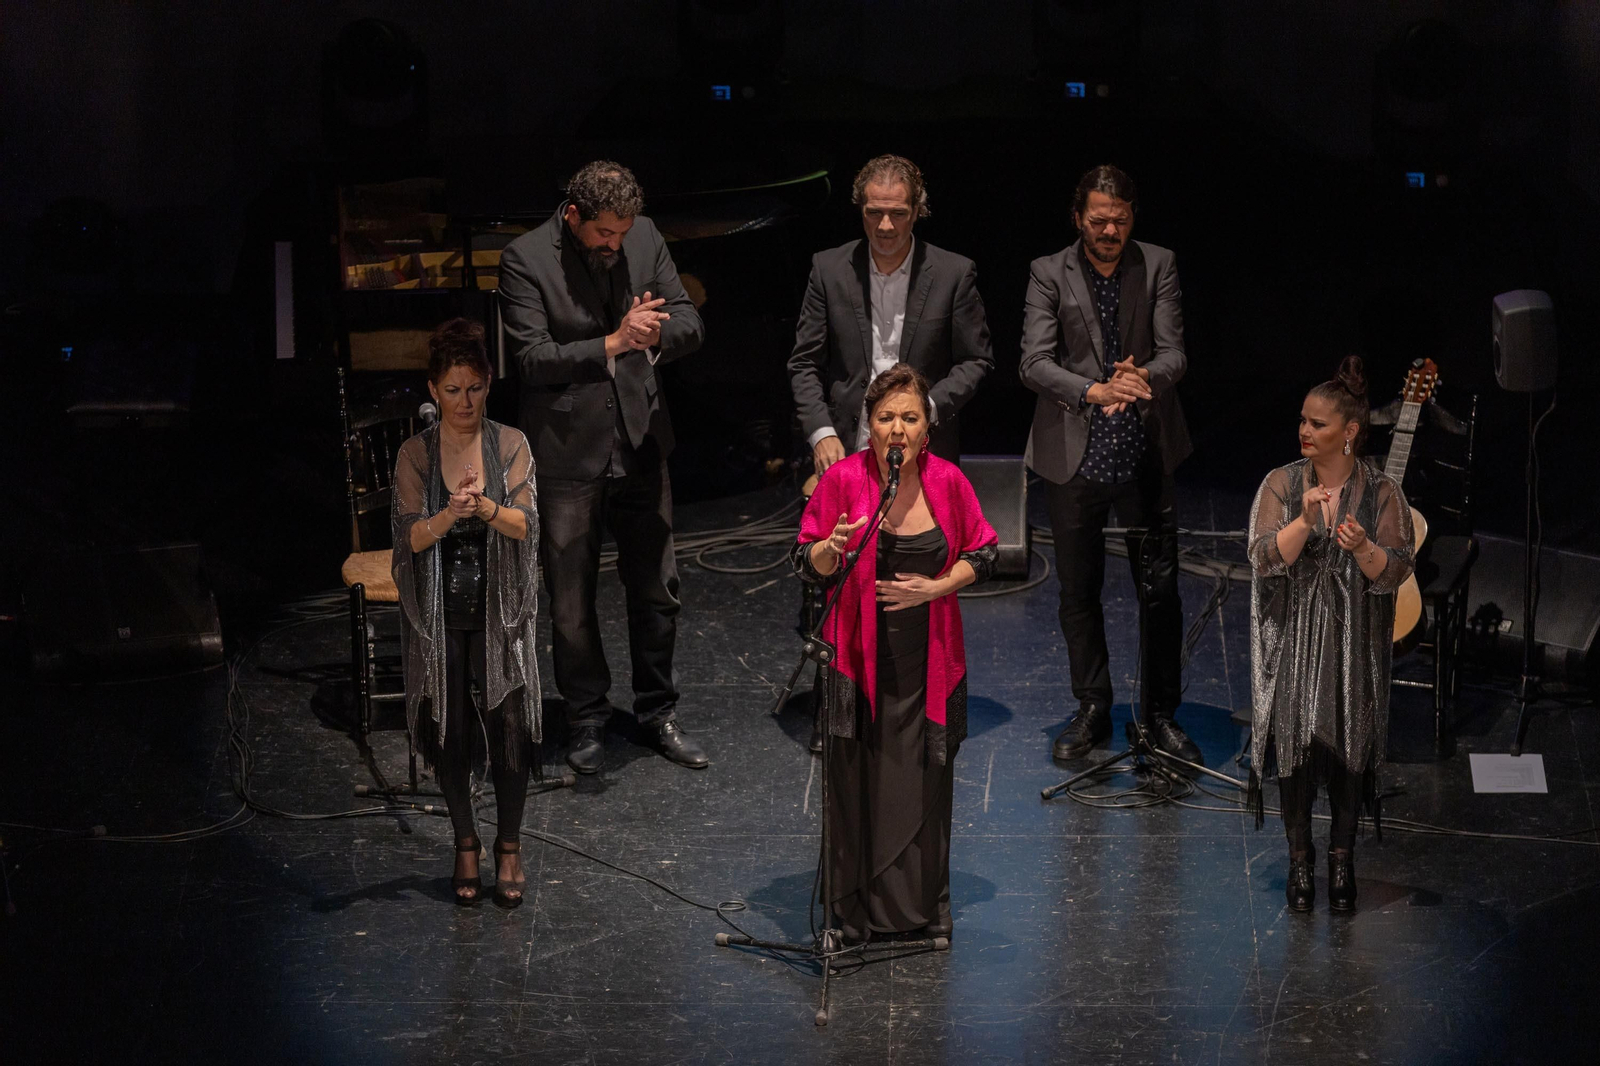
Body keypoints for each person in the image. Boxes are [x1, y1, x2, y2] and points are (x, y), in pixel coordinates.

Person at [497, 160, 708, 776]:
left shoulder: (643, 236)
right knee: (570, 600)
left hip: (641, 440)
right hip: (567, 452)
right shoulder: (524, 259)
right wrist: (614, 342)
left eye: (623, 232)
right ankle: (585, 718)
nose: (616, 244)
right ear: (573, 217)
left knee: (657, 589)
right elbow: (532, 360)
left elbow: (689, 318)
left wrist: (657, 336)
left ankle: (657, 711)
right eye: (604, 234)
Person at [788, 153, 995, 750]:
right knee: (832, 573)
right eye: (874, 213)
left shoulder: (953, 272)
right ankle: (839, 708)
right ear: (861, 209)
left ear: (916, 211)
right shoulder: (828, 269)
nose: (884, 226)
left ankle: (910, 705)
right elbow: (804, 361)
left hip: (920, 445)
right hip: (846, 448)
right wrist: (823, 433)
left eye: (896, 214)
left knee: (905, 580)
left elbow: (977, 359)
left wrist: (921, 414)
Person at [791, 364, 999, 943]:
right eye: (887, 418)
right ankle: (851, 914)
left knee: (921, 785)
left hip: (926, 665)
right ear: (870, 428)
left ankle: (921, 911)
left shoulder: (950, 482)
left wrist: (935, 588)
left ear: (926, 429)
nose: (899, 428)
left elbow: (984, 553)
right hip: (855, 662)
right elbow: (805, 560)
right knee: (855, 786)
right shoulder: (843, 482)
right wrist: (828, 552)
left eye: (910, 417)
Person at [1018, 164, 1201, 765]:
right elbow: (1033, 362)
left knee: (1161, 590)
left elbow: (1175, 352)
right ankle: (1093, 707)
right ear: (1078, 219)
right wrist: (1094, 391)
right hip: (1074, 453)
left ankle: (1160, 715)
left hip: (1145, 451)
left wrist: (1144, 376)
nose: (1109, 231)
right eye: (1098, 220)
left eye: (1119, 221)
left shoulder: (1159, 263)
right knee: (1079, 590)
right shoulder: (1048, 272)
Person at [1246, 356, 1415, 913]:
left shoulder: (1383, 492)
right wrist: (1305, 521)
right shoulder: (1281, 483)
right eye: (1302, 420)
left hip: (1353, 644)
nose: (1304, 431)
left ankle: (1343, 858)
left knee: (1349, 749)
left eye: (1317, 424)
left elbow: (1395, 569)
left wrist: (1363, 546)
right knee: (1295, 753)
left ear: (1349, 434)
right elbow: (1263, 557)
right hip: (1294, 641)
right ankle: (1301, 860)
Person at [391, 318, 541, 907]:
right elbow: (410, 540)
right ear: (433, 390)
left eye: (474, 388)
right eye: (451, 390)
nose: (464, 401)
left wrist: (484, 507)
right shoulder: (415, 454)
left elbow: (526, 525)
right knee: (448, 725)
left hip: (500, 606)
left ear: (487, 385)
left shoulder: (510, 444)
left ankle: (508, 845)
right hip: (439, 609)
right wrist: (453, 514)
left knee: (507, 726)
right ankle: (464, 841)